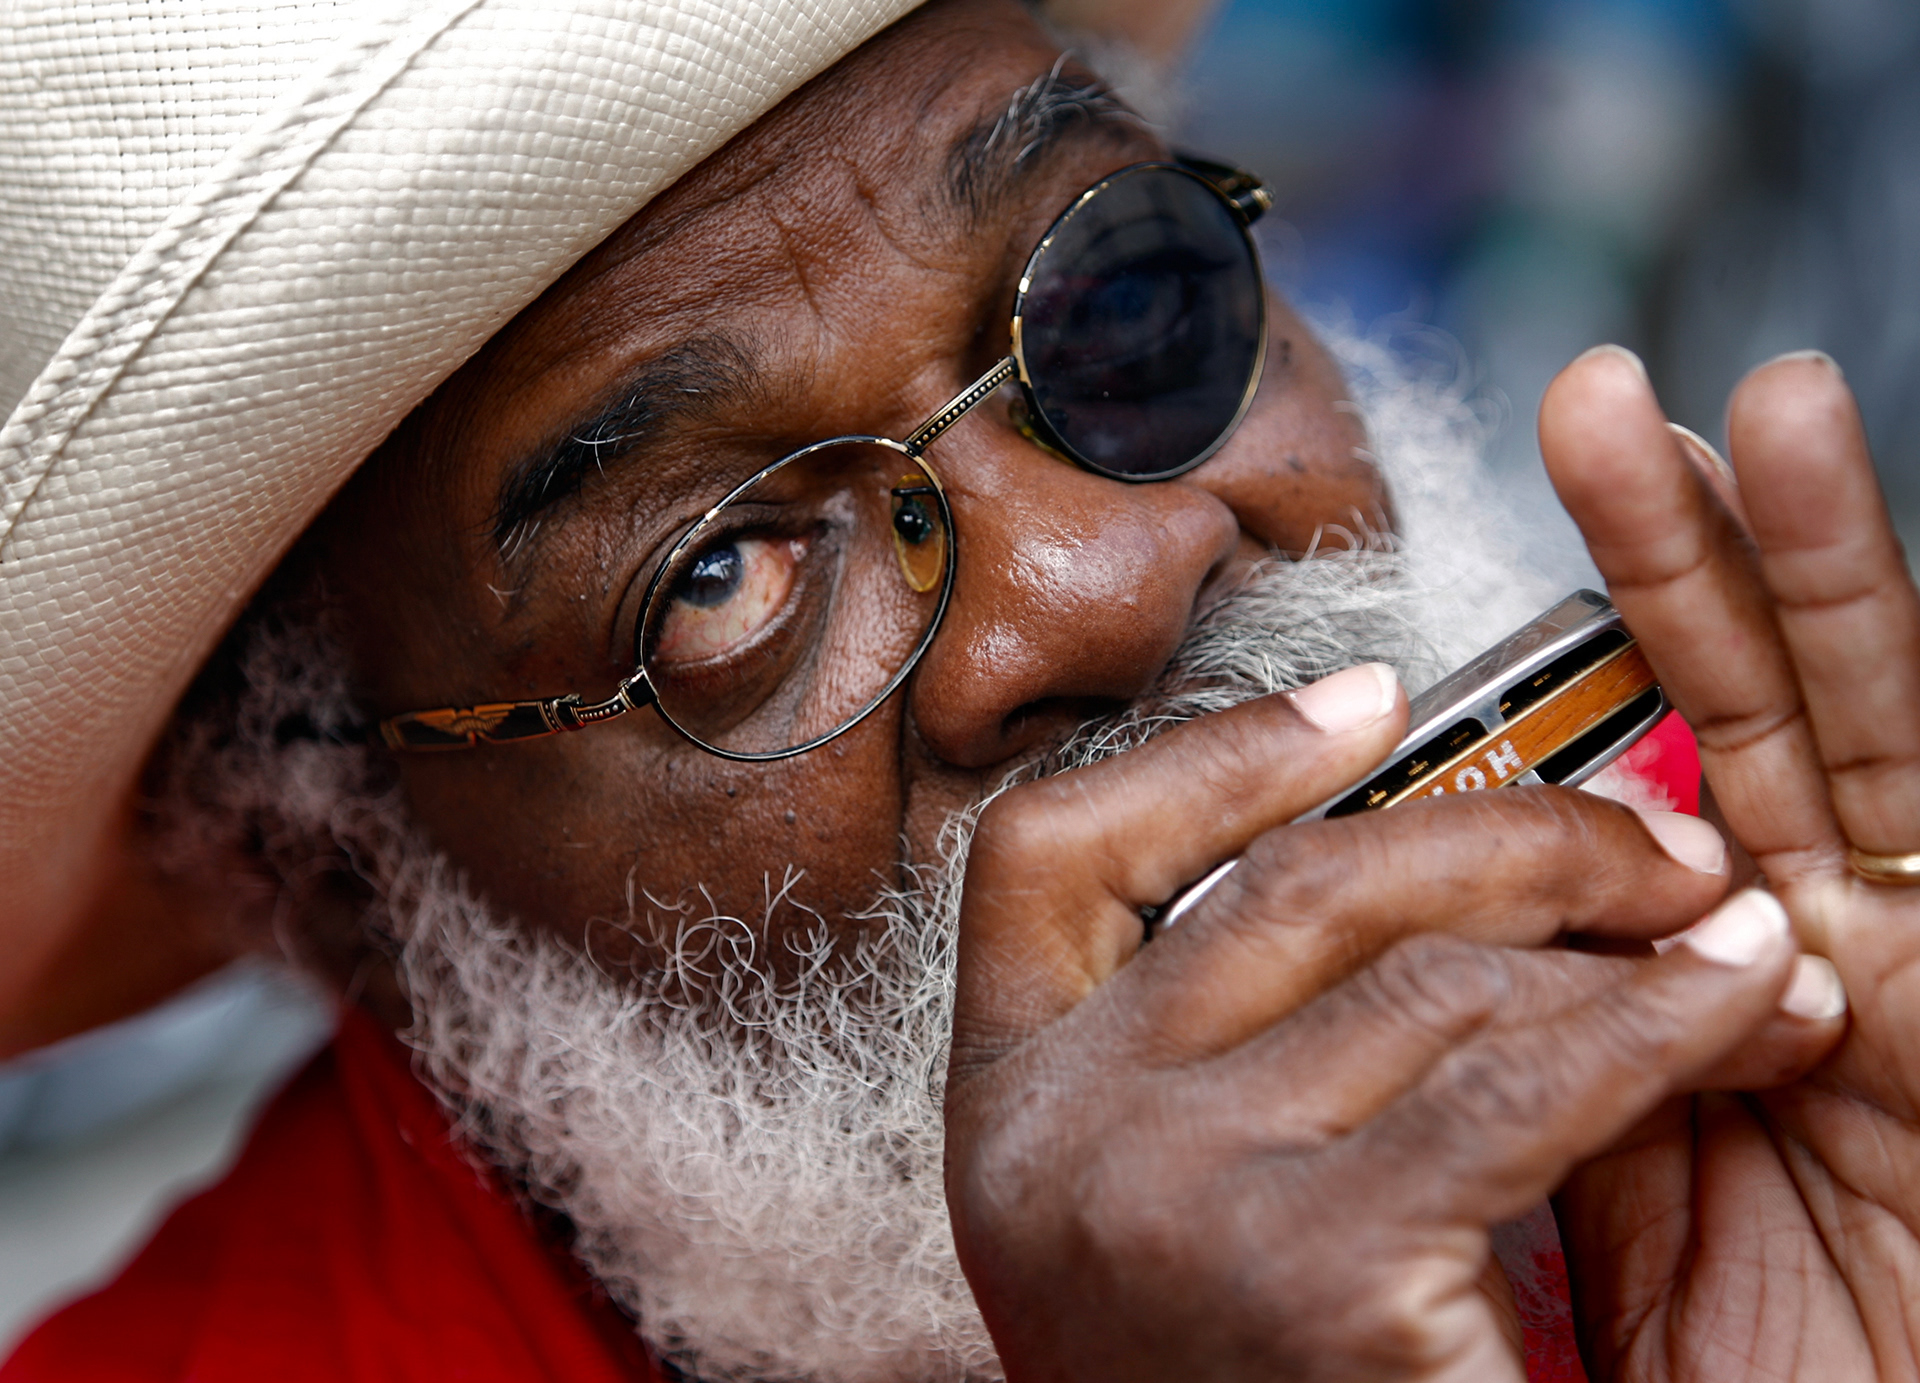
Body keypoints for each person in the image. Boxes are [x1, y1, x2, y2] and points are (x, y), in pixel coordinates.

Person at [3, 0, 1918, 1379]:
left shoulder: (1799, 948)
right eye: (723, 574)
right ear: (348, 875)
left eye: (1118, 297)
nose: (1110, 576)